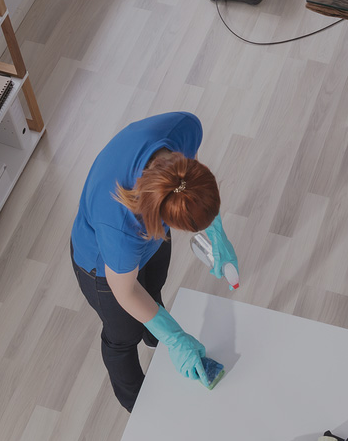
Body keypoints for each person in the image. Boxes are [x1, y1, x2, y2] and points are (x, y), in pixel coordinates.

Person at [71, 112, 239, 411]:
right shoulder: (120, 223)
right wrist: (176, 338)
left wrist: (214, 229)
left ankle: (155, 335)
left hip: (146, 240)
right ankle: (138, 407)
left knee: (154, 287)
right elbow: (125, 290)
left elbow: (191, 178)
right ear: (161, 216)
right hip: (103, 265)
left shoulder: (183, 130)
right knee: (123, 336)